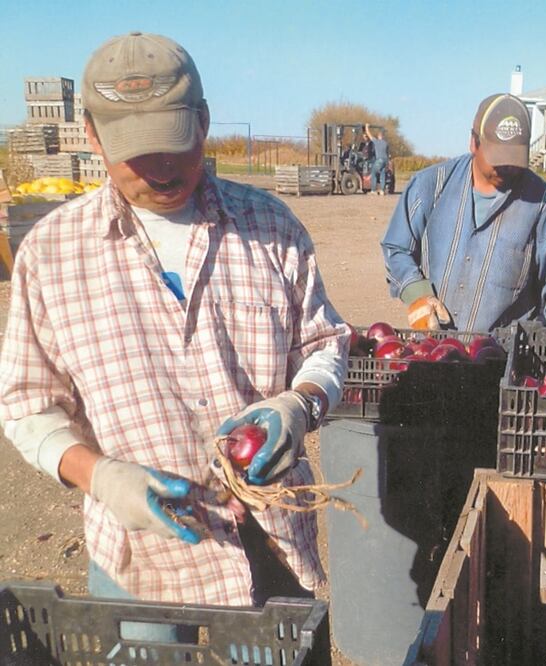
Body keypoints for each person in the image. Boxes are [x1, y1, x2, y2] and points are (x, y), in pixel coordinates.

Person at [0, 32, 350, 621]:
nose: (161, 168)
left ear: (204, 122)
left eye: (174, 144)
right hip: (142, 568)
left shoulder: (270, 226)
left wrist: (301, 404)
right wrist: (100, 475)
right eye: (137, 150)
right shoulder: (50, 254)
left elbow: (325, 346)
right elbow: (26, 407)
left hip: (272, 548)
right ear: (91, 134)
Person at [381, 93, 546, 332]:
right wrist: (416, 292)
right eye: (497, 158)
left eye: (514, 159)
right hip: (434, 350)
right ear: (474, 142)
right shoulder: (430, 186)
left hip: (505, 354)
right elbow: (397, 247)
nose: (506, 168)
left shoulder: (543, 204)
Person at [366, 124, 390, 195]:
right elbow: (387, 152)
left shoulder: (376, 142)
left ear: (379, 136)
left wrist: (367, 127)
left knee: (373, 173)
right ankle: (382, 190)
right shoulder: (386, 143)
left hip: (379, 160)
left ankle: (373, 190)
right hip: (385, 160)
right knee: (382, 175)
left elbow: (369, 134)